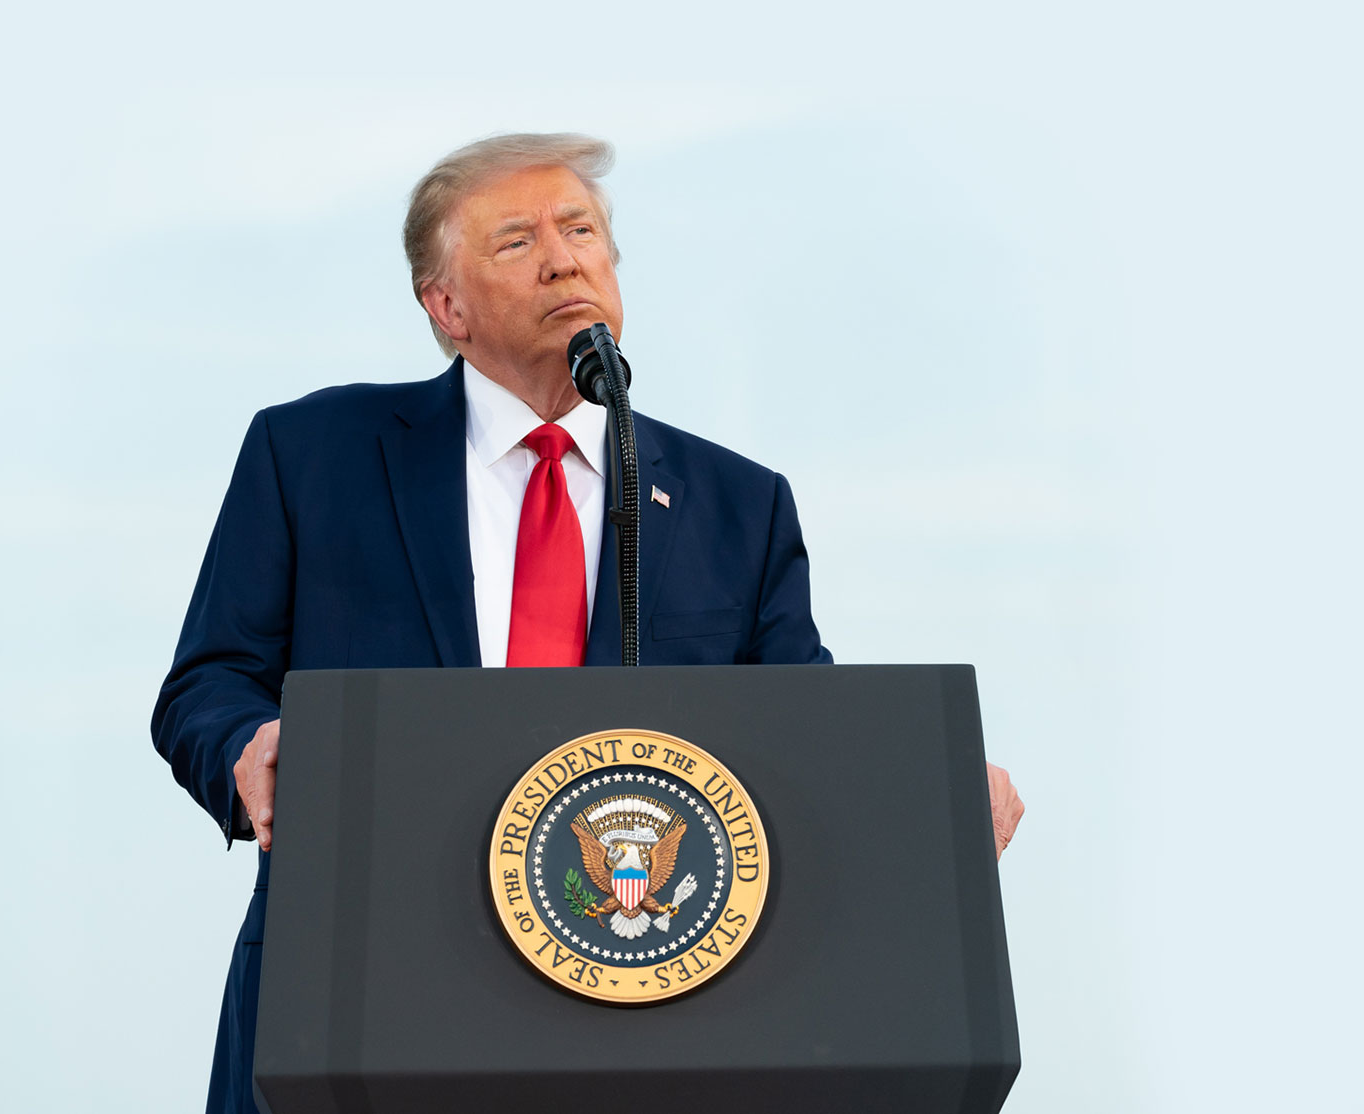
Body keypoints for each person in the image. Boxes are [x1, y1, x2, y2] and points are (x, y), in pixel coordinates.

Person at [151, 132, 1025, 1114]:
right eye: (516, 241)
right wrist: (248, 744)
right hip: (361, 989)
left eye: (581, 232)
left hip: (641, 1012)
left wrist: (930, 795)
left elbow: (802, 731)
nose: (564, 260)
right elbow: (206, 684)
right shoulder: (313, 455)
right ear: (445, 306)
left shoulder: (736, 505)